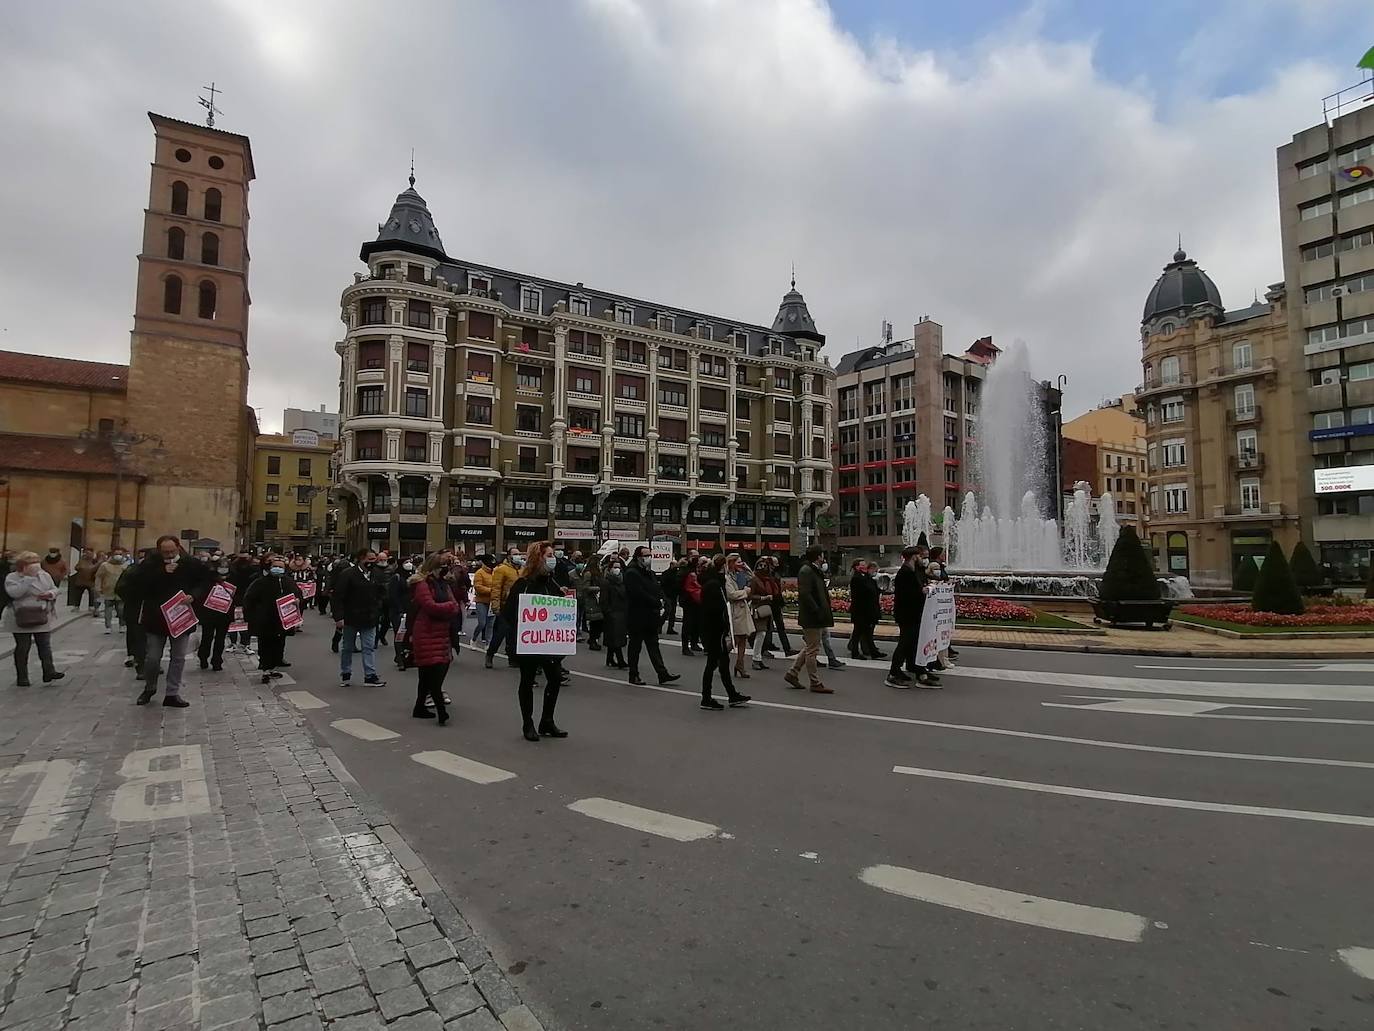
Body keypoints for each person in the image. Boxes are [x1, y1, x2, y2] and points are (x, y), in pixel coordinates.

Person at [123, 536, 214, 707]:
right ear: (159, 550)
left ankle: (172, 693)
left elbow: (205, 582)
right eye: (165, 552)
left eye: (172, 551)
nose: (169, 554)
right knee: (152, 657)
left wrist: (193, 595)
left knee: (178, 657)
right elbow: (138, 585)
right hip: (156, 617)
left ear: (178, 547)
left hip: (181, 617)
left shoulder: (191, 564)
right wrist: (162, 572)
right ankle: (150, 687)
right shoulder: (150, 564)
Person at [504, 541, 568, 742]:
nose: (553, 559)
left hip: (548, 644)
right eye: (548, 555)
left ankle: (547, 721)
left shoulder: (552, 582)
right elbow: (509, 613)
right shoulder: (523, 584)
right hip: (530, 645)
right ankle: (528, 723)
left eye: (553, 555)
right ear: (537, 558)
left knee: (555, 679)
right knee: (527, 681)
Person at [409, 555, 459, 725]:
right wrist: (448, 608)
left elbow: (455, 607)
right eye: (441, 566)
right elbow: (430, 607)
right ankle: (441, 711)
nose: (444, 569)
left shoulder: (443, 585)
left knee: (427, 675)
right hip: (426, 632)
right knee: (432, 675)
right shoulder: (422, 584)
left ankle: (419, 707)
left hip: (441, 632)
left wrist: (446, 608)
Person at [697, 556, 751, 710]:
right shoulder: (714, 585)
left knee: (723, 663)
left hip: (715, 630)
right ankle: (706, 698)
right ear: (723, 567)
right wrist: (723, 626)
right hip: (714, 630)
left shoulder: (714, 583)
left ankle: (732, 695)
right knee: (712, 664)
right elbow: (715, 609)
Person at [4, 551, 64, 686]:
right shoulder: (12, 577)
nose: (35, 565)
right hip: (21, 615)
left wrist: (50, 594)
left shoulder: (44, 575)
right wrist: (28, 578)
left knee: (44, 645)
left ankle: (49, 671)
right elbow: (15, 593)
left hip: (41, 614)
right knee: (23, 647)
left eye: (36, 561)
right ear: (22, 565)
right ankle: (22, 676)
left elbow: (55, 588)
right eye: (31, 562)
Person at [624, 546, 680, 687]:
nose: (649, 558)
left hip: (650, 616)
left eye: (650, 555)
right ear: (638, 557)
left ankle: (662, 673)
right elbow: (637, 593)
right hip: (637, 616)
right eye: (646, 555)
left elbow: (657, 588)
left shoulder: (649, 573)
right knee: (635, 647)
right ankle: (633, 674)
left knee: (653, 646)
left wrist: (663, 600)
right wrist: (656, 602)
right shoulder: (632, 573)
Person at [331, 547, 387, 687]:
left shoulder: (376, 574)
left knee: (368, 647)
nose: (373, 562)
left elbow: (382, 592)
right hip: (351, 617)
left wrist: (378, 607)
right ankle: (346, 674)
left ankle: (370, 676)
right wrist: (339, 617)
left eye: (375, 559)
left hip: (369, 617)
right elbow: (338, 596)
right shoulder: (348, 574)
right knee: (347, 647)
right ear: (361, 559)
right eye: (370, 559)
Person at [243, 554, 302, 685]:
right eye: (275, 567)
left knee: (278, 643)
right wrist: (252, 616)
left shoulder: (288, 582)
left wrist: (297, 601)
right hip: (265, 619)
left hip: (282, 620)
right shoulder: (260, 582)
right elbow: (249, 598)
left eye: (280, 567)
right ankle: (265, 669)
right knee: (265, 645)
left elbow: (297, 594)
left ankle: (273, 666)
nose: (277, 569)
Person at [886, 545, 940, 689]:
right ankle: (893, 674)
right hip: (907, 614)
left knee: (913, 644)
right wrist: (923, 590)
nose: (921, 558)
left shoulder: (912, 571)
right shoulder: (905, 572)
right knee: (904, 644)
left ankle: (918, 670)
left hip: (913, 614)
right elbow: (908, 594)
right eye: (919, 556)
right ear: (913, 557)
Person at [784, 546, 834, 694]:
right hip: (811, 616)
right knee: (813, 650)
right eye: (822, 554)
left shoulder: (812, 570)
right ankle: (815, 682)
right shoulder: (806, 571)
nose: (824, 557)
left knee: (810, 646)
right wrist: (817, 610)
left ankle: (792, 673)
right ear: (818, 556)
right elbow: (805, 594)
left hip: (814, 615)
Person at [484, 546, 523, 669]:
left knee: (514, 635)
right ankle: (490, 654)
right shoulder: (502, 570)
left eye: (518, 554)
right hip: (505, 605)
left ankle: (513, 658)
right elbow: (496, 588)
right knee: (501, 632)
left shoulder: (523, 570)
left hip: (519, 605)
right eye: (514, 554)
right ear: (508, 556)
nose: (517, 556)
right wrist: (495, 605)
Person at [755, 556, 798, 659]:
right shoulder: (765, 576)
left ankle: (786, 648)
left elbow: (777, 592)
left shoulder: (772, 575)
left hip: (774, 604)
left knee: (778, 627)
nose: (776, 565)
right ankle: (766, 649)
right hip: (768, 603)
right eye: (774, 563)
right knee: (768, 627)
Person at [196, 554, 234, 671]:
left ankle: (217, 660)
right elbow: (202, 593)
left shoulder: (232, 578)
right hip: (210, 612)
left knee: (220, 639)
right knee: (207, 636)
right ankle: (203, 657)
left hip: (225, 613)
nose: (223, 569)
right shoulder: (208, 578)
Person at [723, 553, 755, 680]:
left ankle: (740, 664)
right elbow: (731, 594)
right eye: (738, 562)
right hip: (735, 609)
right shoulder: (727, 578)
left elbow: (752, 578)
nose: (741, 564)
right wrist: (745, 592)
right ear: (731, 563)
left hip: (743, 609)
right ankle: (720, 658)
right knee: (736, 639)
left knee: (744, 638)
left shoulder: (739, 575)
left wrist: (746, 568)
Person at [847, 560, 884, 660]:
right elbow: (863, 592)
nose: (864, 566)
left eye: (864, 564)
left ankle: (873, 651)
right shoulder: (857, 578)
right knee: (857, 632)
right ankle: (855, 652)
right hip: (860, 610)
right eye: (862, 565)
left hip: (867, 610)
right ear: (856, 567)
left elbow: (872, 586)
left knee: (867, 632)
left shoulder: (865, 576)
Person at [748, 557, 780, 669]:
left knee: (763, 633)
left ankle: (758, 658)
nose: (764, 568)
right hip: (759, 608)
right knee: (760, 633)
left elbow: (775, 591)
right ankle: (756, 659)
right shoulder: (754, 579)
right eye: (761, 565)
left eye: (765, 565)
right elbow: (750, 595)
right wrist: (763, 597)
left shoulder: (768, 579)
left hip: (767, 608)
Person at [928, 547, 959, 663]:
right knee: (940, 626)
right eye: (942, 553)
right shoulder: (935, 566)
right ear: (937, 555)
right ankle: (940, 655)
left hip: (943, 601)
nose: (944, 555)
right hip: (939, 602)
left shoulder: (940, 565)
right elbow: (938, 579)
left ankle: (946, 649)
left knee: (944, 625)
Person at [227, 553, 260, 655]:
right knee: (236, 622)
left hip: (244, 598)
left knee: (242, 622)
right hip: (237, 598)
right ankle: (238, 643)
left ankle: (243, 643)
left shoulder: (251, 570)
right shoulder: (233, 569)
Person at [599, 555, 628, 669]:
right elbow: (603, 600)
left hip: (621, 612)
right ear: (610, 569)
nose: (617, 569)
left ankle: (610, 658)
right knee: (616, 638)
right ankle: (620, 660)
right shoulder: (607, 582)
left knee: (615, 637)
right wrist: (608, 612)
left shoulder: (622, 581)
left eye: (619, 567)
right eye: (615, 567)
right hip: (612, 613)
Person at [95, 549, 128, 635]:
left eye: (120, 554)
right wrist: (98, 588)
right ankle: (108, 626)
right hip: (108, 591)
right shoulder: (105, 565)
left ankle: (122, 624)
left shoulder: (125, 565)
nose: (118, 556)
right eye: (116, 554)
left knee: (121, 610)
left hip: (121, 592)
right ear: (112, 555)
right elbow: (99, 577)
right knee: (108, 610)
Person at [678, 557, 703, 657]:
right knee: (688, 624)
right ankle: (686, 646)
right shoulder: (687, 573)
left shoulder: (693, 572)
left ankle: (693, 643)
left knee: (696, 623)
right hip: (689, 600)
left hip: (694, 600)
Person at [580, 554, 604, 651]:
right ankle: (593, 641)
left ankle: (593, 639)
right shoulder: (589, 573)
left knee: (598, 622)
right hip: (592, 600)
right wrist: (598, 588)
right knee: (595, 622)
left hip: (597, 600)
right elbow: (585, 588)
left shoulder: (598, 573)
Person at [472, 554, 495, 644]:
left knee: (490, 625)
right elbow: (478, 587)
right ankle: (473, 639)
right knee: (482, 623)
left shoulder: (495, 572)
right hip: (481, 601)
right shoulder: (479, 573)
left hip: (492, 602)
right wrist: (491, 590)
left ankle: (488, 643)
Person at [659, 556, 683, 635]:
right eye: (675, 566)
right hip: (668, 595)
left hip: (673, 595)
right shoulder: (667, 573)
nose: (676, 567)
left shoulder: (675, 573)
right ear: (671, 565)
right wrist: (664, 596)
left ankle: (670, 628)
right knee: (668, 611)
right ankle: (660, 626)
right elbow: (663, 585)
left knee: (672, 613)